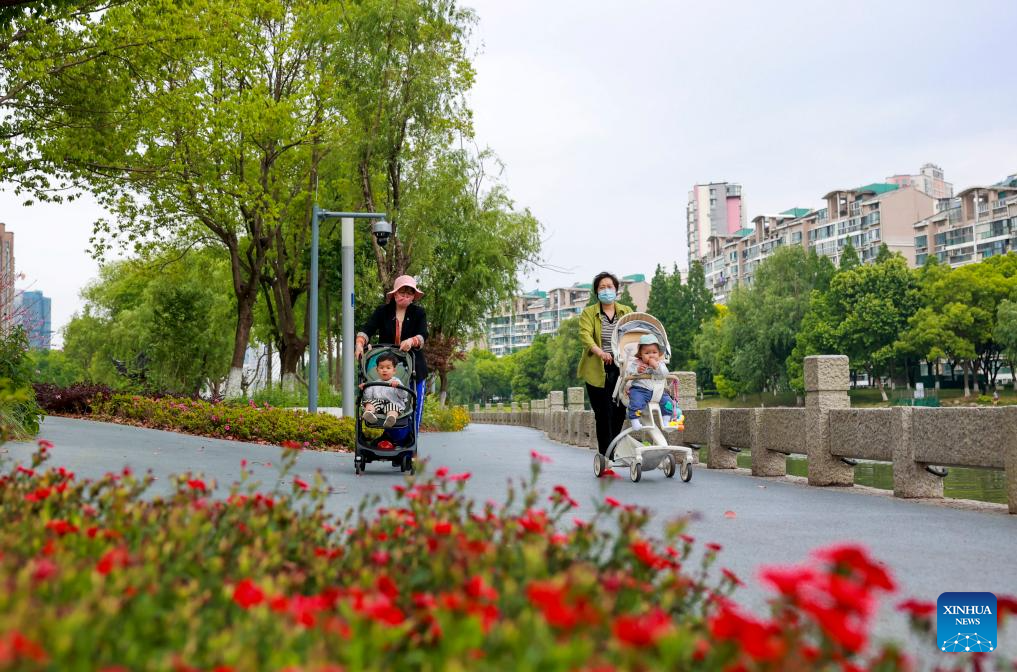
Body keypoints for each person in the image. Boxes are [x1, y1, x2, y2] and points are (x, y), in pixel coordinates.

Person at [355, 275, 428, 431]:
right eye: (402, 292)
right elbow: (367, 329)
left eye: (409, 293)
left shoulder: (419, 313)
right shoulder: (383, 311)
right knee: (383, 400)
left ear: (414, 296)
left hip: (414, 366)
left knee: (412, 407)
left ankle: (410, 444)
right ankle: (389, 437)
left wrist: (412, 341)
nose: (405, 296)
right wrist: (359, 344)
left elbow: (423, 335)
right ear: (395, 294)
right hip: (387, 365)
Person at [578, 271, 632, 457]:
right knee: (603, 414)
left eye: (610, 287)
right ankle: (605, 457)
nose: (606, 290)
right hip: (597, 370)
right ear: (596, 292)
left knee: (619, 412)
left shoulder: (626, 311)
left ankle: (612, 451)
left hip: (622, 368)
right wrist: (600, 352)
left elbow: (634, 333)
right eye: (602, 287)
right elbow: (585, 336)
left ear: (616, 290)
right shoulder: (589, 313)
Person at [624, 334, 682, 430]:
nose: (651, 355)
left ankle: (666, 420)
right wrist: (637, 370)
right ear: (640, 355)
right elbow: (629, 372)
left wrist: (656, 366)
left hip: (658, 391)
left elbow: (664, 373)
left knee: (667, 402)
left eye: (654, 352)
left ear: (659, 354)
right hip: (640, 390)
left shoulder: (660, 364)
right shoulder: (636, 363)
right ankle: (635, 420)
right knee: (636, 402)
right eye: (647, 353)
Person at [360, 352, 409, 428]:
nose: (384, 370)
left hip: (392, 402)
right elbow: (368, 397)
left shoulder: (396, 382)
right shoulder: (374, 383)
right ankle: (369, 413)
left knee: (393, 408)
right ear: (377, 370)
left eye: (388, 368)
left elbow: (404, 395)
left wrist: (398, 387)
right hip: (378, 404)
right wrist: (365, 388)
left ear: (394, 370)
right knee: (370, 403)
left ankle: (391, 418)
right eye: (381, 368)